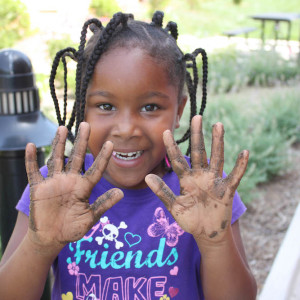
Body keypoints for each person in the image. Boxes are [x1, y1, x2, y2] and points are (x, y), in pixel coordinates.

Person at [0, 11, 257, 300]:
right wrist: (39, 246)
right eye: (106, 106)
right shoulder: (54, 188)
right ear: (82, 107)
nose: (126, 130)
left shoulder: (207, 193)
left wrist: (216, 244)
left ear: (179, 110)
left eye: (150, 107)